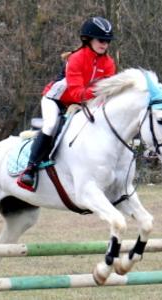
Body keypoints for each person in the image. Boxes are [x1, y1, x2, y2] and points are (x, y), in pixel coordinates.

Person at [17, 16, 118, 191]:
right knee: (50, 125)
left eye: (107, 41)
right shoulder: (77, 59)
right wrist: (102, 91)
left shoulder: (108, 63)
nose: (105, 44)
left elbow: (104, 95)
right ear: (89, 39)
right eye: (101, 40)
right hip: (56, 100)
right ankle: (30, 169)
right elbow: (77, 92)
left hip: (83, 103)